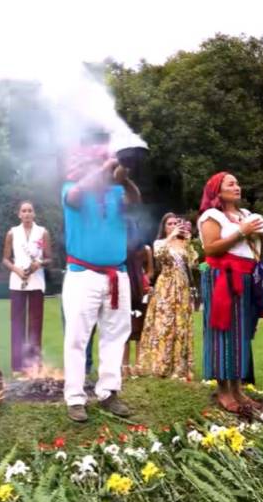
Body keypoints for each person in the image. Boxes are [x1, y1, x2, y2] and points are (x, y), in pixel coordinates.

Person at [61, 130, 142, 422]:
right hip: (82, 275)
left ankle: (109, 392)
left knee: (115, 337)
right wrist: (105, 168)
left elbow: (135, 199)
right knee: (77, 338)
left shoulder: (117, 192)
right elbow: (74, 197)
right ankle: (75, 398)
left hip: (116, 275)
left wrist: (124, 177)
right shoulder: (72, 187)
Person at [197, 172, 263, 413]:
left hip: (247, 278)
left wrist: (258, 234)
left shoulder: (246, 215)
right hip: (222, 278)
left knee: (243, 333)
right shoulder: (211, 216)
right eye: (231, 184)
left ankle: (237, 390)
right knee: (223, 331)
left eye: (238, 182)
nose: (237, 187)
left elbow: (256, 249)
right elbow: (211, 249)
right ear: (217, 190)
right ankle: (224, 392)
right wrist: (242, 231)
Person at [136, 213, 199, 380]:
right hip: (166, 287)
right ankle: (160, 365)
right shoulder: (160, 243)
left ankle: (179, 367)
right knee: (164, 325)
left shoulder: (184, 244)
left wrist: (189, 240)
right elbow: (159, 255)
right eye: (170, 224)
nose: (173, 226)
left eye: (176, 223)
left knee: (181, 326)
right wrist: (170, 237)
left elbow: (194, 263)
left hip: (183, 288)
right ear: (164, 227)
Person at [3, 201, 52, 376]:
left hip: (36, 281)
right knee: (17, 324)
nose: (27, 214)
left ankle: (33, 364)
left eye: (30, 210)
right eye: (24, 211)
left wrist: (39, 263)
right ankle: (17, 366)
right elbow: (6, 259)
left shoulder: (43, 232)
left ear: (34, 213)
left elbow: (49, 258)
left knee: (35, 324)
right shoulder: (12, 233)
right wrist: (16, 269)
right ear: (19, 214)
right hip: (17, 281)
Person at [122, 230, 152, 378]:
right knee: (124, 329)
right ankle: (124, 365)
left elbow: (150, 271)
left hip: (141, 291)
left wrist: (144, 280)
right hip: (125, 289)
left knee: (140, 329)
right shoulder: (121, 248)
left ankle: (139, 364)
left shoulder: (145, 250)